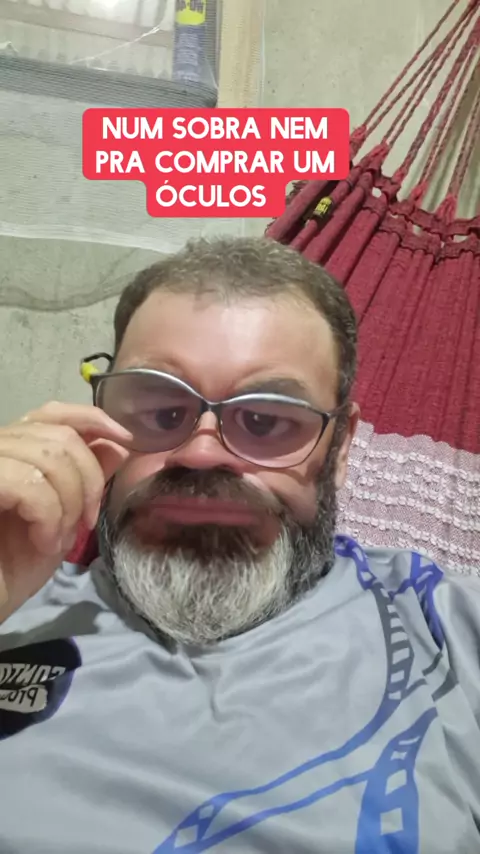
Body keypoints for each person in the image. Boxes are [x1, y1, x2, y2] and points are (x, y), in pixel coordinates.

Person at [0, 237, 479, 854]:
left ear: (341, 448)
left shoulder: (446, 634)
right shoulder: (15, 600)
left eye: (266, 419)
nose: (202, 453)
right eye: (160, 409)